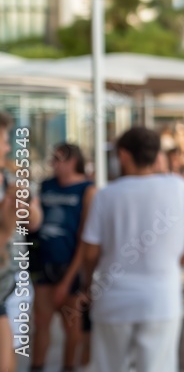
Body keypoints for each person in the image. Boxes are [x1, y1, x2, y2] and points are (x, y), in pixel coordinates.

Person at [80, 127, 184, 372]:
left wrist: (88, 285)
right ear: (156, 155)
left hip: (113, 298)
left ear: (124, 155)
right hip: (160, 298)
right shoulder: (176, 187)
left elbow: (90, 252)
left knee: (109, 366)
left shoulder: (105, 196)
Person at [30, 143, 94, 372]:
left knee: (72, 325)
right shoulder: (46, 186)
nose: (53, 164)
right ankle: (36, 366)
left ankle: (69, 367)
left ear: (71, 161)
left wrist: (69, 278)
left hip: (71, 265)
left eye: (58, 159)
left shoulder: (87, 190)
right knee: (41, 323)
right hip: (45, 261)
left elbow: (86, 237)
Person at [0, 110, 43, 372]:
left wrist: (23, 203)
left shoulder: (11, 179)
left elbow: (35, 221)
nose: (7, 146)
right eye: (3, 139)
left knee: (10, 355)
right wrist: (6, 224)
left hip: (11, 282)